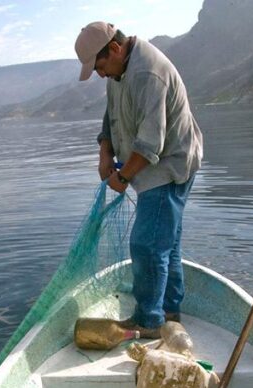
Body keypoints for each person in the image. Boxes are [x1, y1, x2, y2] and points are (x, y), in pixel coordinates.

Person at [74, 21, 203, 336]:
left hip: (168, 166)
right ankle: (170, 310)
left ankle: (149, 321)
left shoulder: (146, 72)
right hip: (148, 165)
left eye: (99, 65)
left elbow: (150, 142)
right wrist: (105, 151)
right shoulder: (118, 70)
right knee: (165, 243)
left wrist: (123, 176)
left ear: (115, 48)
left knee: (146, 245)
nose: (100, 74)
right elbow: (112, 113)